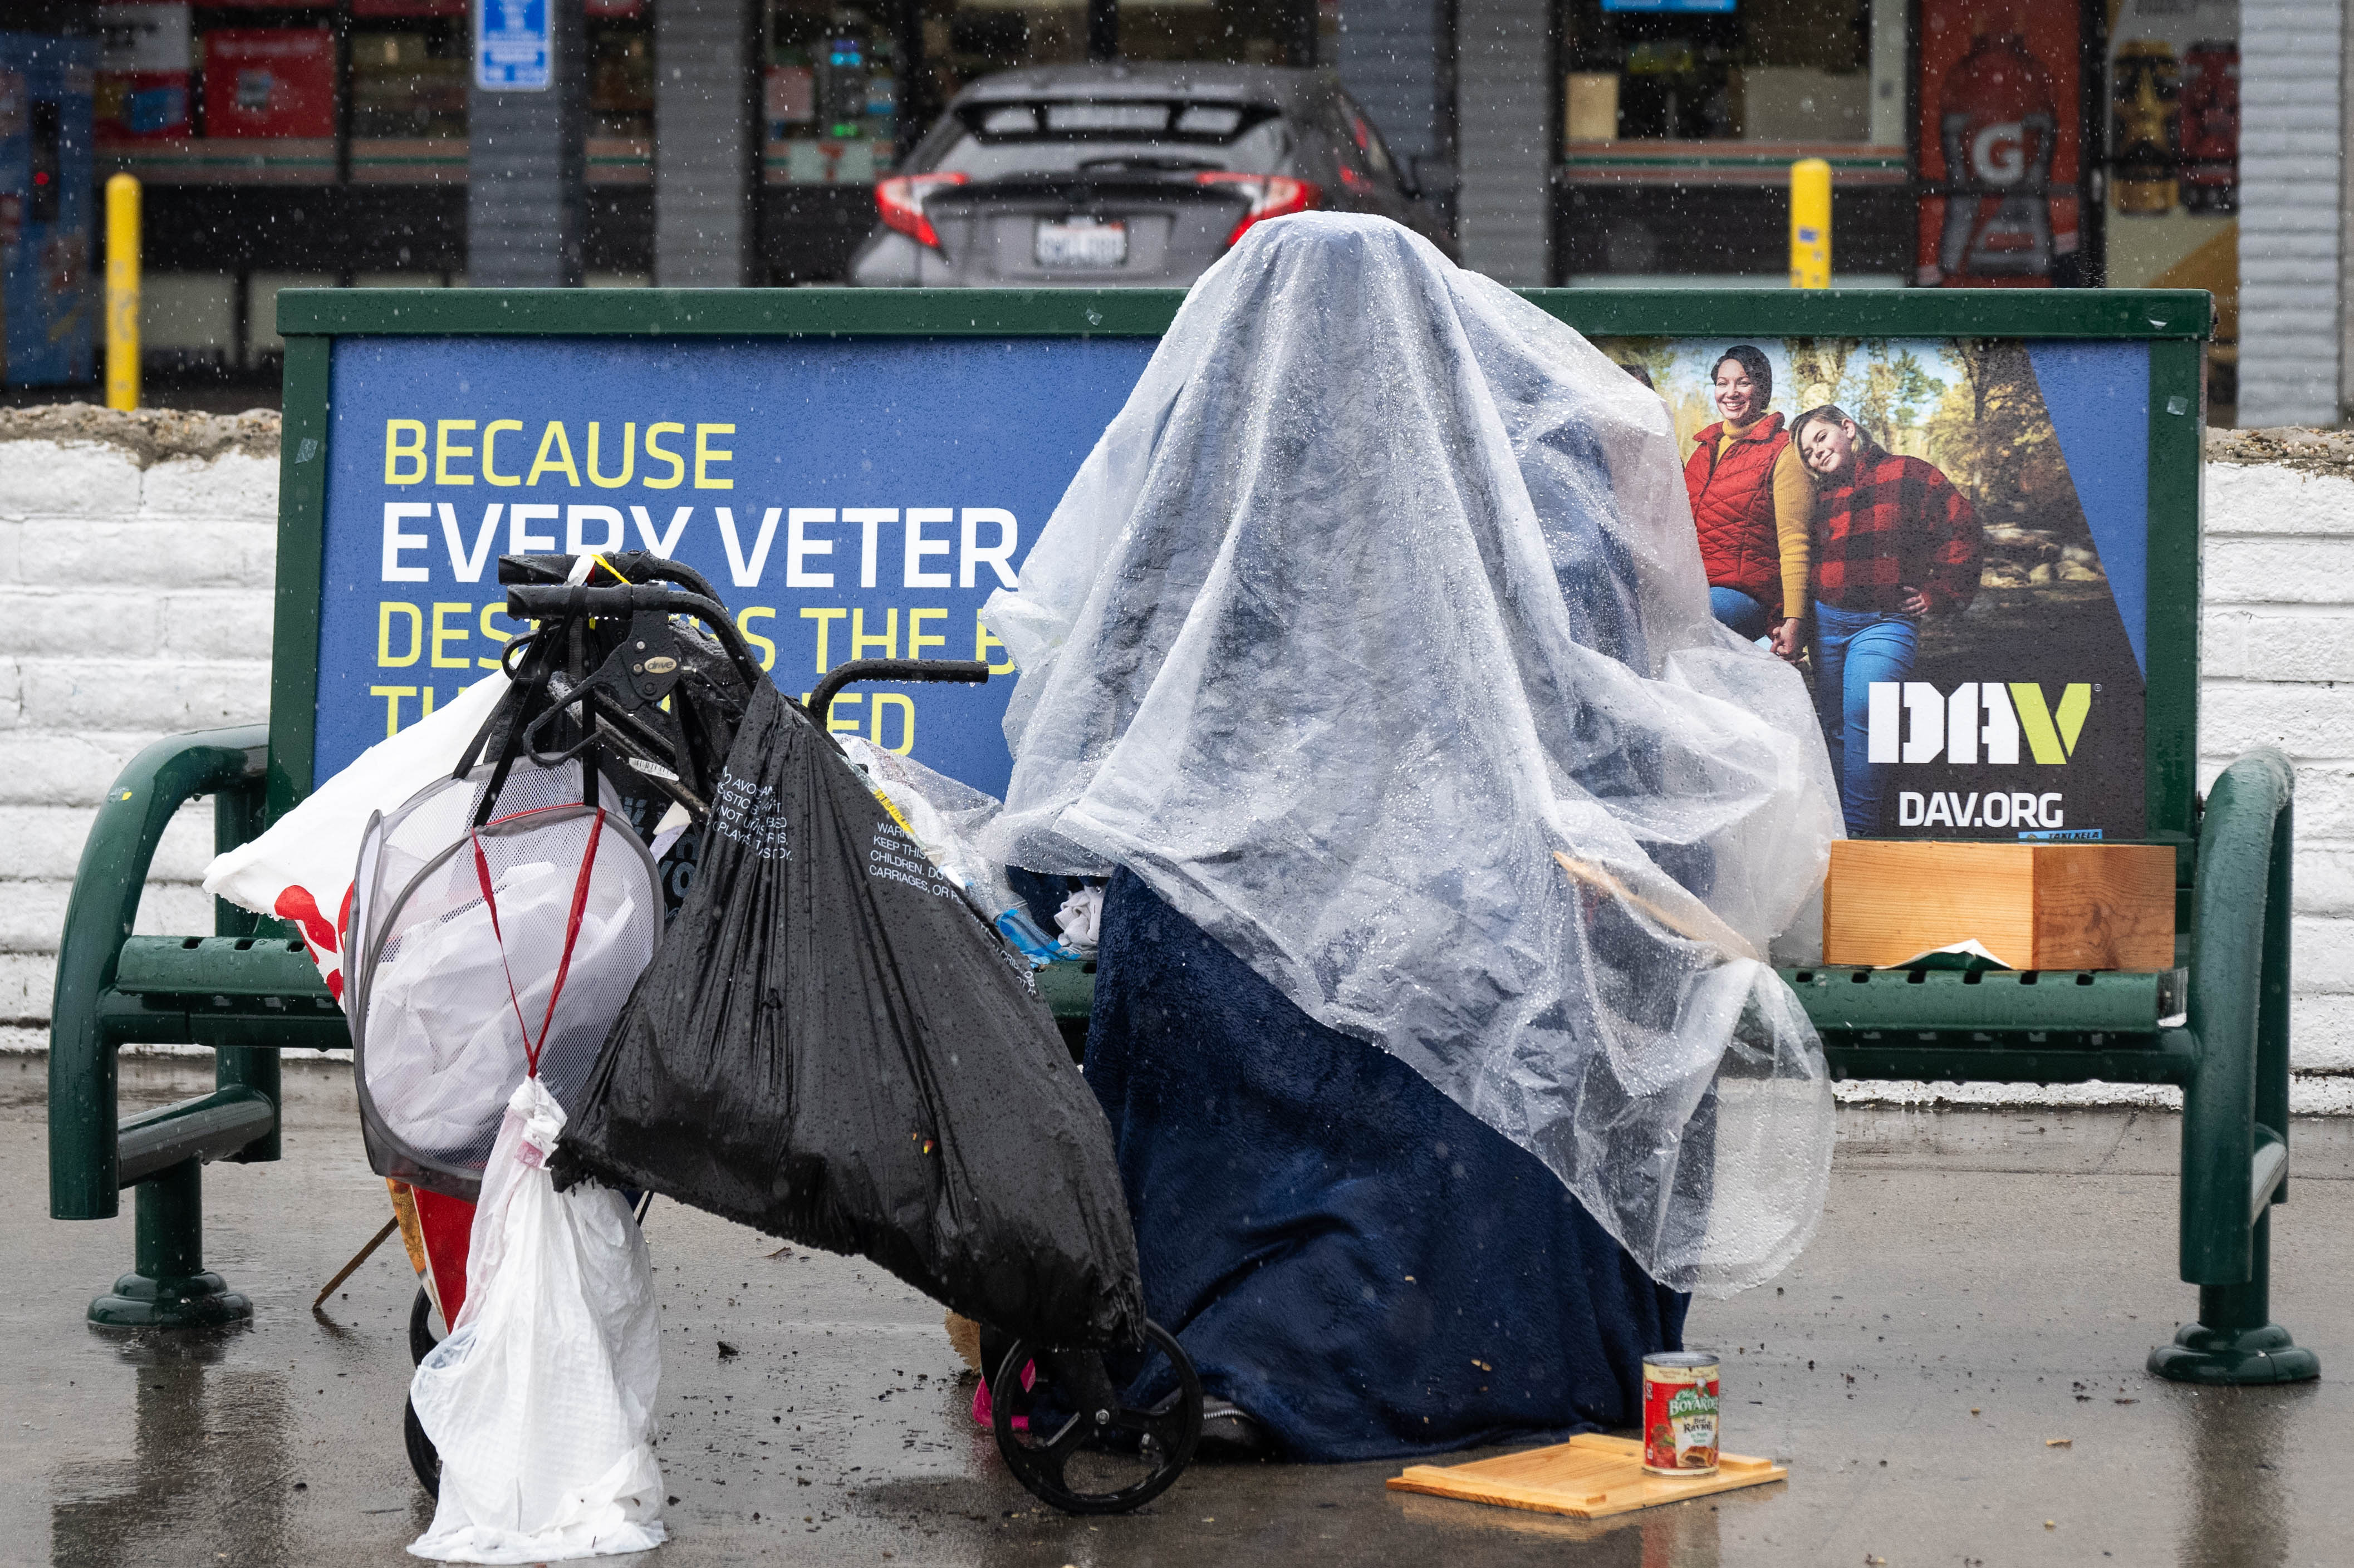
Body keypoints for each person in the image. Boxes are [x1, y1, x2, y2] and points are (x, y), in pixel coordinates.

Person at [1791, 404, 1983, 835]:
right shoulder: (1818, 497)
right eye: (1807, 452)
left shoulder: (1908, 473)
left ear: (1848, 427)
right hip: (1827, 625)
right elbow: (1799, 558)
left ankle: (1858, 834)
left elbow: (1963, 526)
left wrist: (1942, 592)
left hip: (1884, 622)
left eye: (1821, 438)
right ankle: (1834, 830)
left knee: (1868, 713)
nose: (1816, 453)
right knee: (1835, 724)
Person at [1682, 345, 1811, 659]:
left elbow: (1796, 541)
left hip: (1745, 597)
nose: (1731, 392)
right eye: (1722, 383)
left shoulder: (1784, 451)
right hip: (1692, 589)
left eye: (1743, 382)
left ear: (1762, 389)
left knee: (1690, 622)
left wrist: (1795, 620)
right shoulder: (1703, 451)